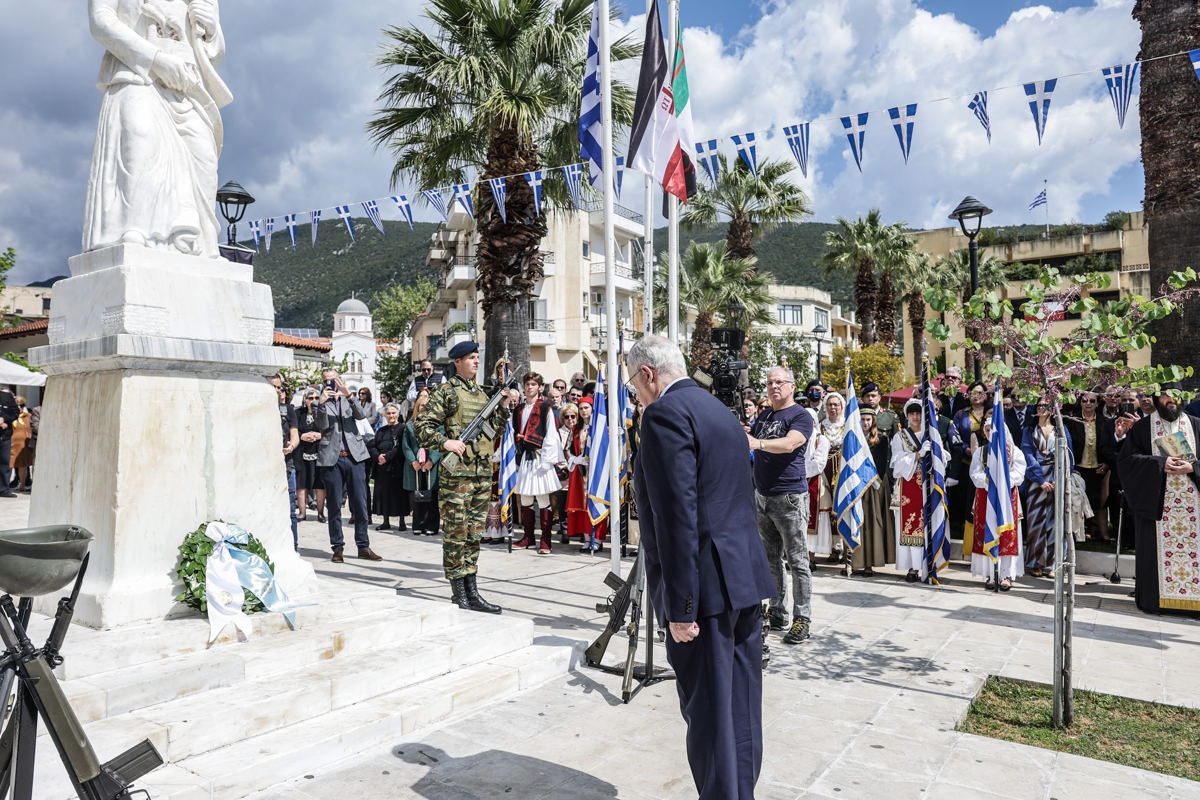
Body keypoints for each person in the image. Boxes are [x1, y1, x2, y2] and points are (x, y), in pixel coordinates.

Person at [628, 335, 776, 800]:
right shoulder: (719, 411)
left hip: (705, 594)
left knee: (711, 719)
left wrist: (681, 606)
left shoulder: (664, 415)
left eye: (633, 383)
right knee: (740, 713)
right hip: (743, 582)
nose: (634, 393)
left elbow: (677, 517)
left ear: (649, 374)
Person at [415, 341, 510, 613]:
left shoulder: (482, 394)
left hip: (480, 474)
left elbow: (493, 431)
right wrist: (445, 443)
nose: (477, 362)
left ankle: (472, 591)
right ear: (457, 362)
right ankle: (459, 594)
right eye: (471, 358)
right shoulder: (446, 392)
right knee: (456, 534)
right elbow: (422, 426)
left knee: (474, 535)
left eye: (478, 357)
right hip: (457, 477)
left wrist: (502, 406)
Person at [1116, 385, 1200, 614]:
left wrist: (1192, 468)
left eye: (1175, 395)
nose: (1171, 400)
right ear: (1156, 398)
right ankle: (1156, 601)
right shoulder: (1143, 428)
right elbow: (1127, 462)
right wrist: (1160, 464)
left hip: (1195, 509)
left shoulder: (1196, 425)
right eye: (1165, 395)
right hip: (1158, 508)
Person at [748, 367, 814, 643]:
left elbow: (790, 444)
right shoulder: (765, 415)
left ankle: (802, 618)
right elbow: (750, 440)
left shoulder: (801, 415)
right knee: (770, 559)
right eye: (770, 382)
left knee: (797, 560)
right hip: (762, 496)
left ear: (791, 385)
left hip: (789, 497)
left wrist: (757, 442)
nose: (774, 386)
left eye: (780, 382)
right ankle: (777, 611)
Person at [314, 369, 381, 563]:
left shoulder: (348, 398)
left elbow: (361, 416)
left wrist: (349, 395)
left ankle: (363, 546)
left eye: (333, 380)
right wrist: (321, 402)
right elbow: (321, 425)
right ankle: (337, 548)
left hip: (355, 457)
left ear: (339, 380)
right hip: (331, 459)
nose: (331, 384)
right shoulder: (320, 402)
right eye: (327, 381)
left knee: (360, 504)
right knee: (334, 505)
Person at [968, 417, 1026, 590]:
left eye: (994, 430)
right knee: (987, 531)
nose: (991, 433)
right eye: (987, 430)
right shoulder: (981, 452)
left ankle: (1006, 574)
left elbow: (1019, 473)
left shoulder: (1014, 452)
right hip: (986, 496)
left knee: (1007, 534)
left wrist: (1003, 482)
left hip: (1008, 498)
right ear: (985, 433)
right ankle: (989, 574)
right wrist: (990, 483)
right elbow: (974, 473)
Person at [511, 372, 565, 554]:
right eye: (527, 384)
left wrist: (547, 460)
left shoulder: (545, 408)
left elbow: (551, 435)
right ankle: (528, 538)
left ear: (540, 387)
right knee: (525, 498)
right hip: (524, 459)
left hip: (540, 457)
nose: (530, 387)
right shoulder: (518, 410)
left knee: (542, 498)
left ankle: (546, 540)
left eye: (533, 384)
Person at [1021, 398, 1074, 578]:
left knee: (1057, 521)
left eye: (1046, 405)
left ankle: (1055, 563)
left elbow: (1068, 455)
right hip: (1035, 480)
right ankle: (1036, 563)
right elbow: (1027, 455)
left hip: (1057, 477)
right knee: (1035, 521)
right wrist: (1040, 479)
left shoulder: (1061, 429)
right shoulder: (1028, 430)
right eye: (1039, 405)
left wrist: (1058, 479)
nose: (1042, 408)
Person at [891, 400, 930, 583]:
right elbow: (896, 462)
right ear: (907, 416)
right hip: (908, 485)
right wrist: (918, 455)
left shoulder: (931, 434)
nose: (916, 417)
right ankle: (913, 567)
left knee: (928, 525)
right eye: (912, 413)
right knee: (909, 526)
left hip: (928, 485)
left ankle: (929, 564)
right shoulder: (900, 436)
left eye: (919, 413)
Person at [853, 407, 894, 576]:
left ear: (873, 421)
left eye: (868, 419)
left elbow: (879, 464)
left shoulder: (881, 439)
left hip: (873, 483)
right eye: (862, 419)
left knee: (870, 522)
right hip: (854, 483)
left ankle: (869, 563)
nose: (865, 423)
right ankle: (853, 561)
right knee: (854, 521)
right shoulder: (852, 438)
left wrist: (868, 479)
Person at [1064, 392, 1107, 541]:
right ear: (1080, 402)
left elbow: (1106, 444)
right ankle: (1078, 532)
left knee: (1098, 500)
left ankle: (1100, 532)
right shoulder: (1072, 420)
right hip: (1078, 466)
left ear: (1097, 403)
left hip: (1098, 467)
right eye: (1085, 400)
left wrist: (1107, 464)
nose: (1088, 403)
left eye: (1092, 401)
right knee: (1077, 499)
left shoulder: (1103, 421)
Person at [809, 392, 846, 562]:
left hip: (843, 469)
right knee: (827, 508)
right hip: (825, 470)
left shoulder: (848, 425)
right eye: (829, 404)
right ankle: (832, 547)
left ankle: (843, 547)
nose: (833, 407)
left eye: (836, 404)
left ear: (842, 406)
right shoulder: (820, 427)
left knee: (842, 506)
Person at [953, 382, 989, 545]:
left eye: (980, 393)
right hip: (967, 461)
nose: (977, 396)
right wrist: (967, 449)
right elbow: (955, 437)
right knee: (967, 497)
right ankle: (966, 530)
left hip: (989, 463)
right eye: (973, 392)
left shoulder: (991, 412)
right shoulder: (960, 414)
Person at [404, 393, 443, 536]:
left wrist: (431, 460)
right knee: (418, 496)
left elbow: (440, 444)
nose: (424, 408)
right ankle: (418, 524)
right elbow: (406, 445)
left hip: (430, 466)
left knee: (431, 496)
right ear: (417, 407)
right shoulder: (409, 426)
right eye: (422, 405)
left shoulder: (438, 426)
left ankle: (432, 526)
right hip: (416, 466)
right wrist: (412, 460)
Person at [269, 376, 301, 550]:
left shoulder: (288, 410)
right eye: (274, 387)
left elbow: (294, 435)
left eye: (280, 388)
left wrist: (291, 446)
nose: (278, 391)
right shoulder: (258, 409)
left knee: (290, 511)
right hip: (265, 469)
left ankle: (293, 549)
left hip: (286, 465)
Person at [370, 403, 410, 532]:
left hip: (396, 467)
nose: (391, 415)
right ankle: (385, 521)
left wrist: (387, 457)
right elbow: (372, 446)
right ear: (385, 415)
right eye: (388, 413)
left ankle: (402, 522)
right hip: (382, 468)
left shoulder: (402, 428)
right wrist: (378, 457)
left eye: (393, 413)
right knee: (384, 495)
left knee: (399, 495)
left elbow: (401, 447)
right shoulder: (381, 430)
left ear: (398, 414)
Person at [295, 389, 323, 524]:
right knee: (301, 483)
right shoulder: (298, 413)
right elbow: (293, 429)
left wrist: (319, 436)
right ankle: (302, 513)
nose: (313, 400)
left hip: (319, 452)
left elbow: (330, 431)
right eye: (310, 398)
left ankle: (321, 513)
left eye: (316, 397)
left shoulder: (324, 413)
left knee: (320, 483)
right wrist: (301, 436)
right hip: (302, 452)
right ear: (305, 400)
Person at [0, 388, 19, 499]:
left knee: (4, 463)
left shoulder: (6, 397)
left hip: (4, 436)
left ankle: (3, 489)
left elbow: (15, 412)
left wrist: (5, 419)